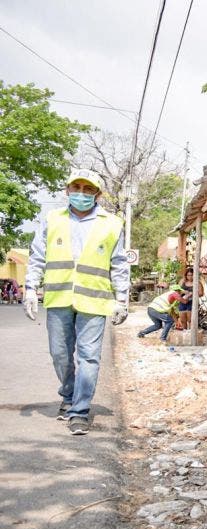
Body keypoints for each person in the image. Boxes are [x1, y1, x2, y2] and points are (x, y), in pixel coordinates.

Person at [24, 169, 130, 436]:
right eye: (76, 188)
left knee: (89, 357)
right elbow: (37, 256)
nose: (81, 193)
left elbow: (119, 264)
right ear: (67, 191)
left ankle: (79, 411)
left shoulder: (112, 223)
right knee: (59, 354)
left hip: (94, 300)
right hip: (59, 297)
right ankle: (69, 394)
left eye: (87, 189)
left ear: (97, 194)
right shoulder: (52, 219)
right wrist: (29, 288)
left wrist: (122, 298)